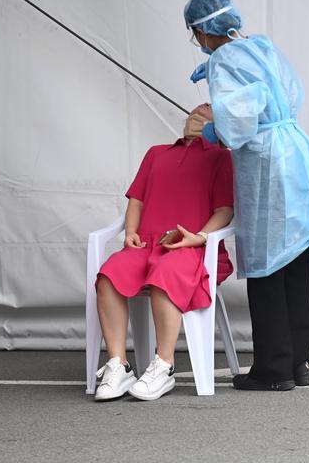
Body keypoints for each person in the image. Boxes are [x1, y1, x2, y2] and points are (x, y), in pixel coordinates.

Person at [183, 0, 309, 391]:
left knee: (268, 266)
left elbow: (239, 124)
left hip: (266, 162)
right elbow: (277, 94)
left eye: (195, 35)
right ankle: (300, 363)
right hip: (296, 154)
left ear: (201, 31)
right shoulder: (260, 47)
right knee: (295, 260)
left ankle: (273, 369)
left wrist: (215, 129)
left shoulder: (223, 60)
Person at [94, 109, 234, 401]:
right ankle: (118, 364)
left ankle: (164, 365)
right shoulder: (156, 153)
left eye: (209, 109)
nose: (201, 111)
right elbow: (137, 199)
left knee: (165, 274)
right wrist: (130, 231)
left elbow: (224, 210)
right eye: (198, 109)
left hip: (192, 248)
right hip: (146, 245)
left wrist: (199, 238)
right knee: (109, 274)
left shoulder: (221, 157)